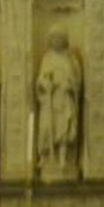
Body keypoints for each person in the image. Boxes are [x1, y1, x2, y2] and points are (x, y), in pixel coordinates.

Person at [35, 25, 84, 180]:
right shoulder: (47, 58)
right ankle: (47, 157)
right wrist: (46, 83)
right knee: (47, 128)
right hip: (50, 101)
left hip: (65, 99)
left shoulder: (71, 59)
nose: (57, 40)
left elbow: (77, 80)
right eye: (54, 38)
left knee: (64, 130)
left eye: (60, 37)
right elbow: (41, 80)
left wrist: (69, 84)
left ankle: (64, 160)